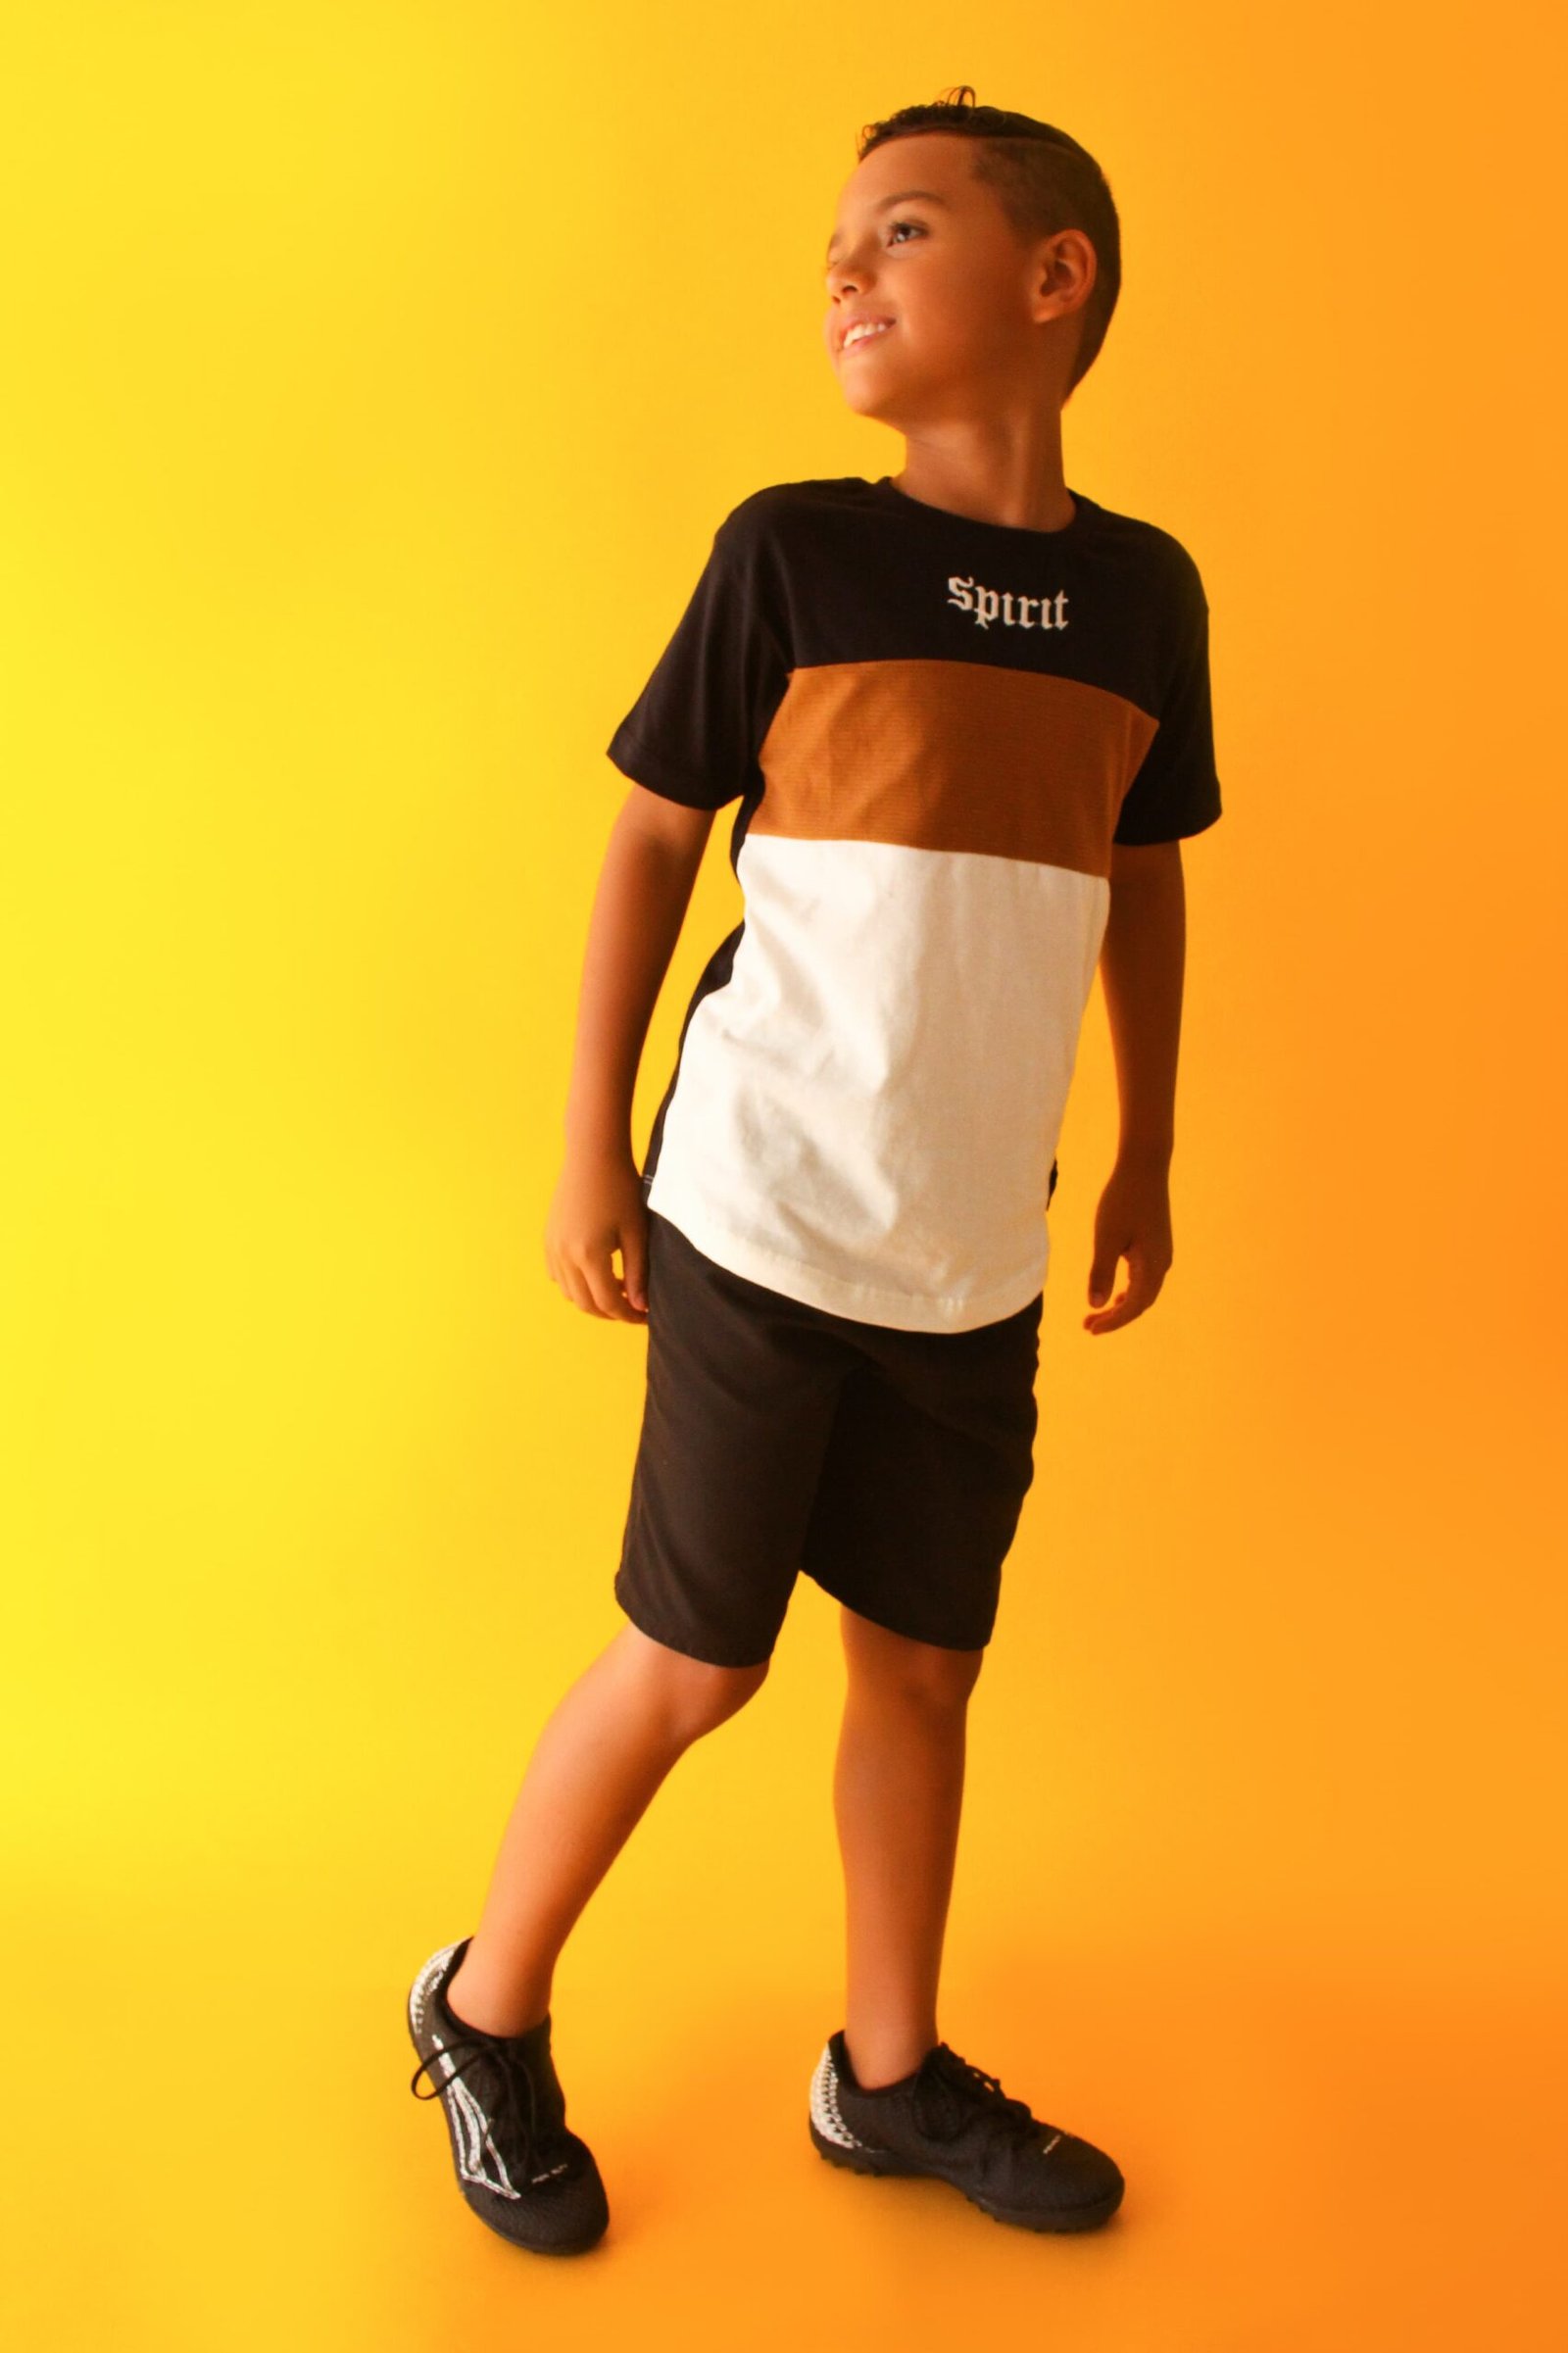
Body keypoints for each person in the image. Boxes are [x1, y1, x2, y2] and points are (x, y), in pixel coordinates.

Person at [408, 84, 1223, 2256]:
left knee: (922, 1667)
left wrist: (1146, 1148)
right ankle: (481, 2007)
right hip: (758, 1209)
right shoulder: (794, 550)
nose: (844, 268)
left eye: (903, 228)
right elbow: (650, 838)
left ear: (1052, 278)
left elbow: (1142, 874)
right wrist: (590, 1144)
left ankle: (884, 2073)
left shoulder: (1142, 594)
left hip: (970, 1253)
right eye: (836, 244)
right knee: (699, 1659)